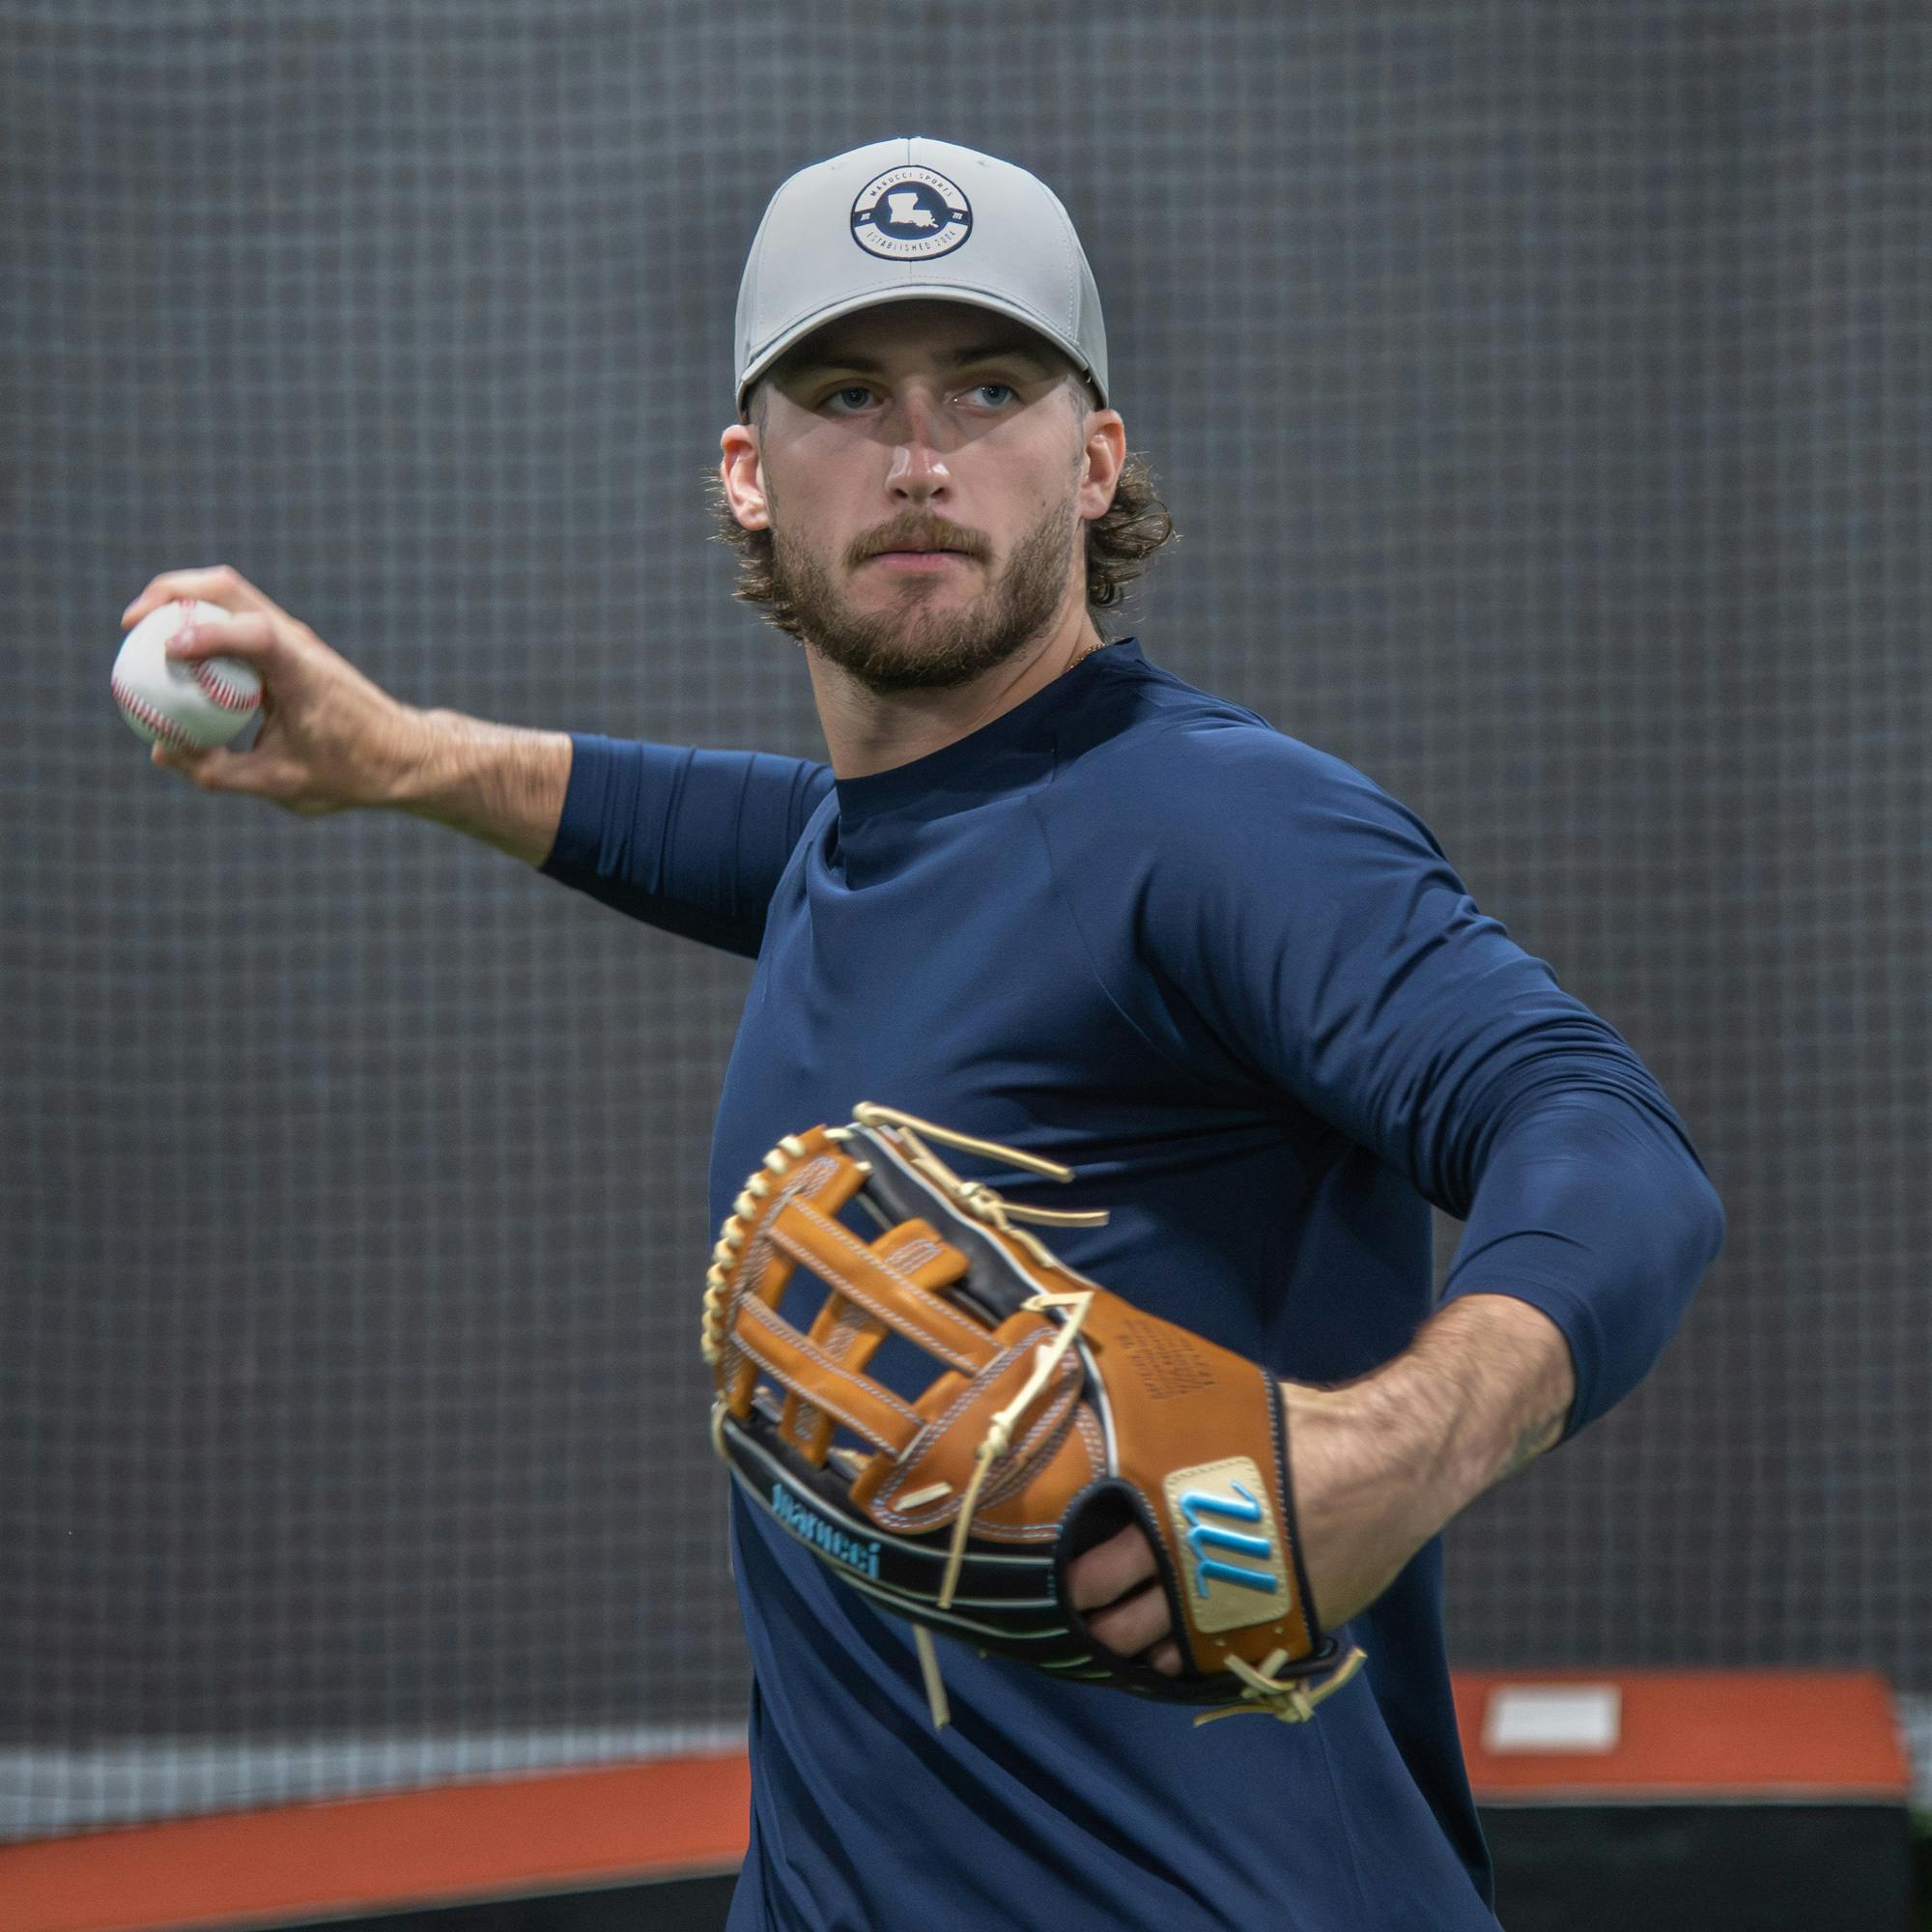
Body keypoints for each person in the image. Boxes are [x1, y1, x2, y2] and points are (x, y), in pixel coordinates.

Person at [126, 136, 1724, 1931]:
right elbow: (741, 830)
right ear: (748, 477)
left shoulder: (1220, 826)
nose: (918, 456)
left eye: (986, 387)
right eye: (846, 395)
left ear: (1094, 457)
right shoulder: (859, 844)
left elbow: (1603, 1134)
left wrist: (1402, 1446)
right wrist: (397, 754)